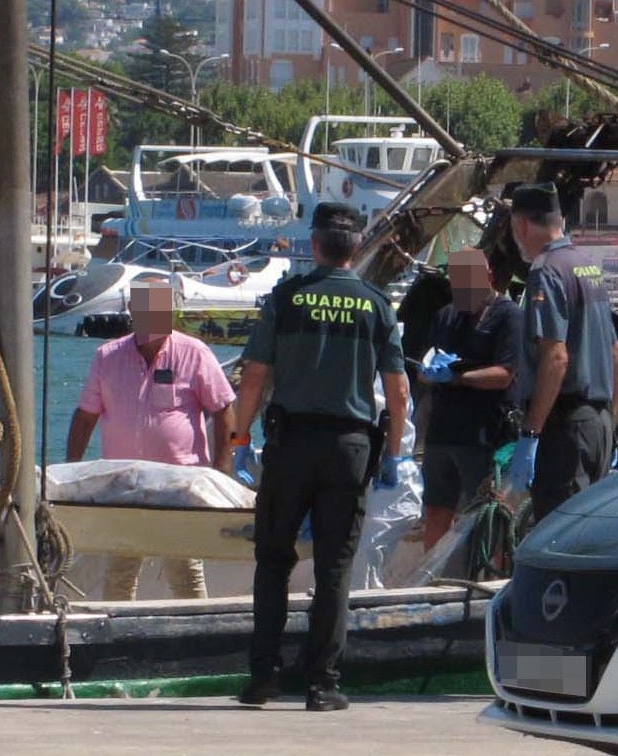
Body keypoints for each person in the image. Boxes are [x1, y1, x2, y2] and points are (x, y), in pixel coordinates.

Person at [231, 201, 409, 711]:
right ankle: (322, 684)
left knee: (273, 561)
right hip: (350, 449)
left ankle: (263, 677)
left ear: (314, 245)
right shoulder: (377, 305)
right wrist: (394, 452)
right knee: (334, 567)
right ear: (356, 247)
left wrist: (240, 440)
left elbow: (255, 377)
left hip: (290, 445)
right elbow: (396, 391)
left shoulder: (287, 299)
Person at [66, 280, 237, 599]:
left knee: (185, 573)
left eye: (160, 309)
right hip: (124, 483)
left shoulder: (195, 353)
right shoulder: (106, 356)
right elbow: (85, 416)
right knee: (120, 573)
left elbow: (224, 409)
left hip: (180, 485)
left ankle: (195, 631)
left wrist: (221, 470)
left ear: (171, 313)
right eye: (145, 308)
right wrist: (70, 473)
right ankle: (116, 632)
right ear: (132, 310)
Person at [505, 182, 618, 524]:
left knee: (559, 531)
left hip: (566, 429)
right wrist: (608, 422)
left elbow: (556, 357)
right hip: (598, 424)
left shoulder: (546, 270)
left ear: (522, 226)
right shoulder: (587, 266)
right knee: (589, 531)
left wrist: (530, 435)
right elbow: (616, 354)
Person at [418, 247, 521, 550]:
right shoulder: (446, 316)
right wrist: (430, 373)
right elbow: (424, 367)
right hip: (442, 433)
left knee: (486, 512)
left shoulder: (508, 316)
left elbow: (505, 373)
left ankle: (489, 572)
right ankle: (431, 580)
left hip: (484, 434)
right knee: (436, 509)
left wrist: (459, 378)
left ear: (488, 277)